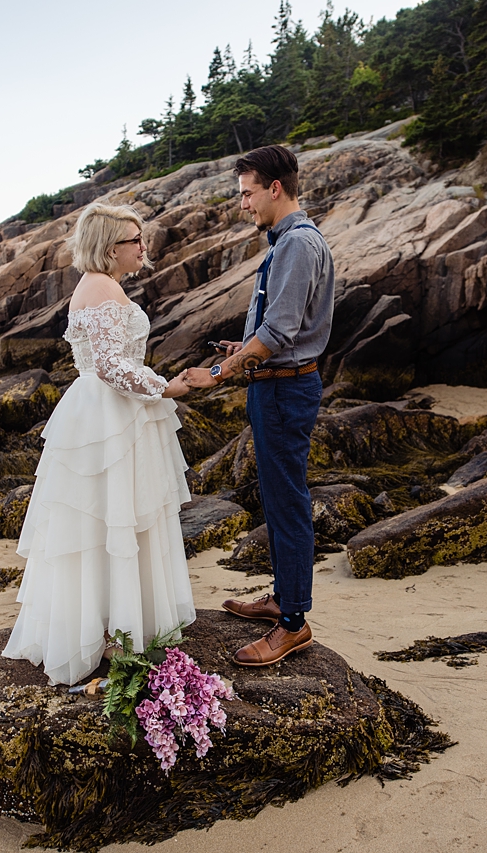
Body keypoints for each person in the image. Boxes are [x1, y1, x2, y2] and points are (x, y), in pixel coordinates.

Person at [3, 202, 195, 686]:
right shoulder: (104, 288)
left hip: (100, 407)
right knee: (115, 516)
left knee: (103, 520)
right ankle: (119, 629)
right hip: (111, 409)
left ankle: (108, 623)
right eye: (136, 241)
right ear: (112, 247)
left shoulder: (93, 286)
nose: (143, 248)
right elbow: (111, 365)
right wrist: (167, 387)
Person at [183, 145, 335, 667]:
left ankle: (293, 622)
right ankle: (282, 599)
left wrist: (217, 374)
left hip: (284, 389)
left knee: (287, 502)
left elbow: (280, 332)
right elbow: (277, 329)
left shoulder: (297, 244)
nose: (243, 204)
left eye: (247, 193)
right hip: (276, 383)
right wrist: (241, 348)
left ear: (275, 188)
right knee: (276, 497)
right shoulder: (290, 242)